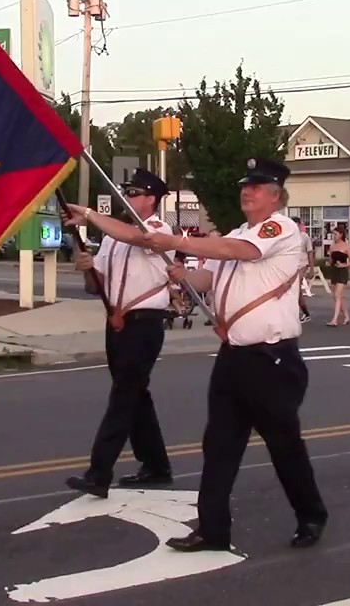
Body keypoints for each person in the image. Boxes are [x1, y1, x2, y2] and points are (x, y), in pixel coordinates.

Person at [127, 156, 328, 553]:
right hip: (233, 356)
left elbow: (239, 252)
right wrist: (186, 276)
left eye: (255, 186)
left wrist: (176, 242)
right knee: (219, 444)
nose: (246, 191)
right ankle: (213, 529)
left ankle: (310, 514)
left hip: (271, 359)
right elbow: (212, 276)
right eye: (245, 185)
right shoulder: (240, 233)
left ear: (275, 195)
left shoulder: (280, 230)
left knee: (283, 445)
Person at [62, 168, 176, 498]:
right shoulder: (113, 237)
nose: (128, 197)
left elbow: (138, 238)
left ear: (151, 199)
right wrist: (86, 269)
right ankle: (156, 464)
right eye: (127, 192)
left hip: (145, 324)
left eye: (135, 193)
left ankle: (99, 473)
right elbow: (96, 285)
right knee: (136, 395)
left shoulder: (157, 229)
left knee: (124, 396)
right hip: (118, 323)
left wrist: (88, 214)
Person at [326, 225, 350, 326]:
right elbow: (330, 259)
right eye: (333, 234)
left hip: (342, 272)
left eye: (336, 234)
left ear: (341, 235)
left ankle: (334, 320)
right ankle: (347, 316)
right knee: (338, 297)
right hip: (334, 271)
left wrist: (343, 265)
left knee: (337, 295)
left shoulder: (346, 246)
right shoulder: (332, 246)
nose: (334, 236)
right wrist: (329, 261)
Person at [292, 217, 313, 323]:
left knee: (296, 285)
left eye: (296, 224)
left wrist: (312, 269)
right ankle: (305, 312)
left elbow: (310, 252)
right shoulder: (289, 237)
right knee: (295, 290)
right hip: (292, 266)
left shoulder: (304, 237)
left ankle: (296, 313)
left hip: (302, 265)